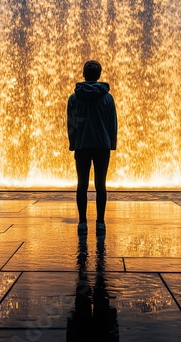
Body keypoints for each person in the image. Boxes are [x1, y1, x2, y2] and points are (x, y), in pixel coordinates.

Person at [67, 60, 117, 236]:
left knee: (82, 184)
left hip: (82, 144)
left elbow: (71, 123)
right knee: (100, 184)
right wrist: (112, 143)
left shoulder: (74, 98)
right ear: (99, 75)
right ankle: (100, 222)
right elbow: (112, 123)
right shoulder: (107, 98)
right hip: (102, 145)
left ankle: (82, 222)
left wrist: (73, 143)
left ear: (84, 74)